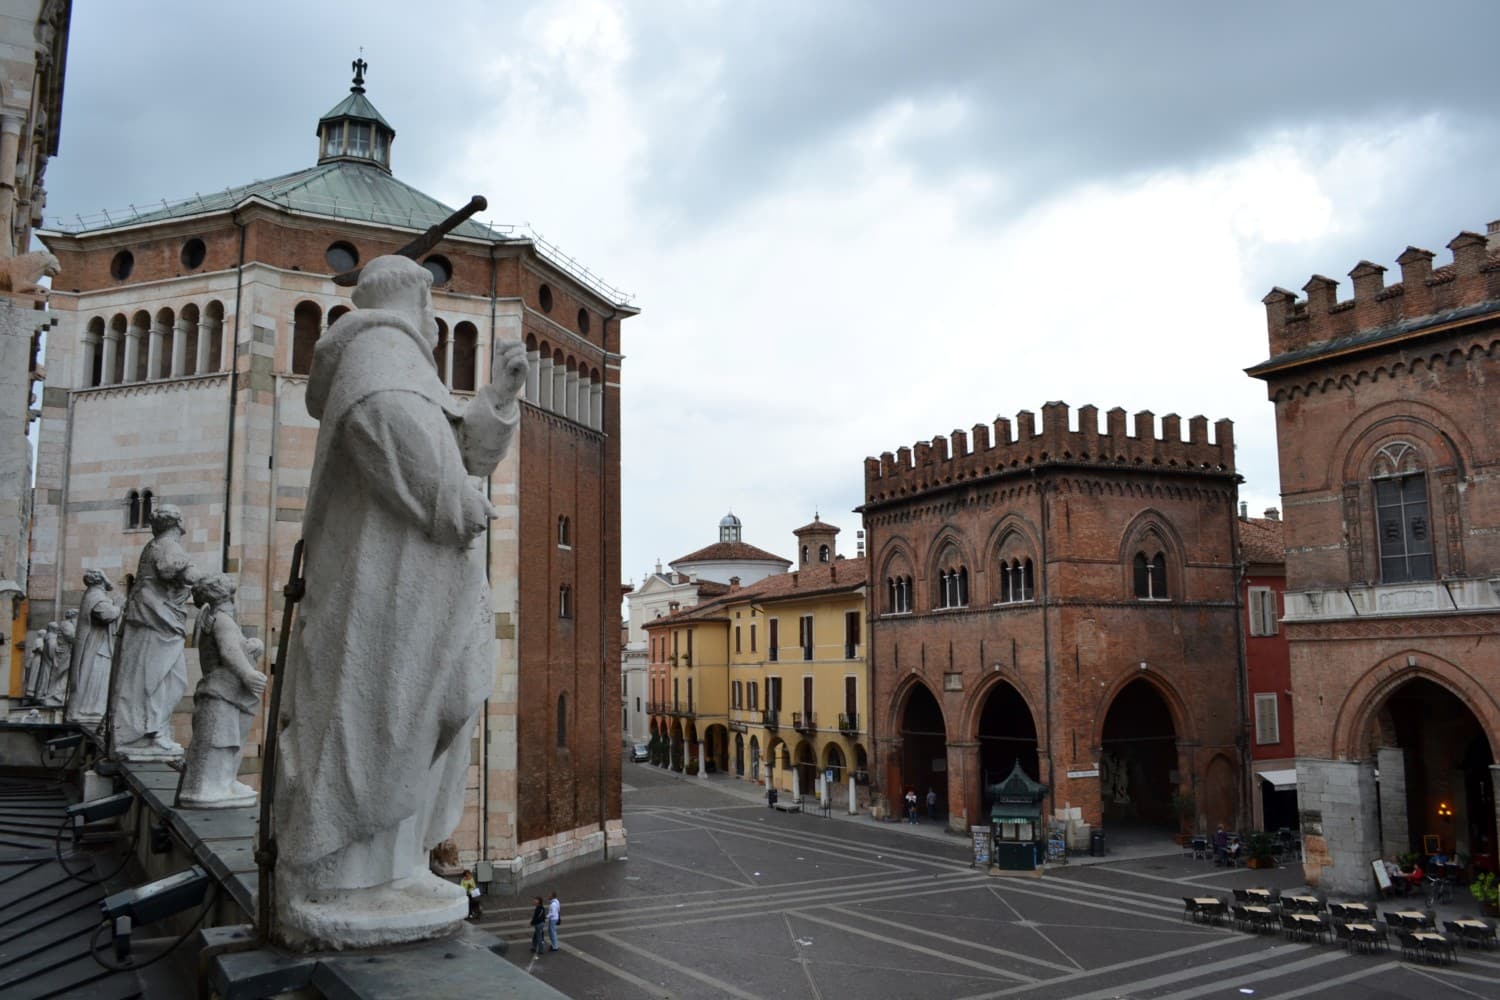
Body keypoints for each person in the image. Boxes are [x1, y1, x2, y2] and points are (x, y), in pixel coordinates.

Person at [271, 256, 527, 947]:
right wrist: (454, 507)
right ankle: (351, 874)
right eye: (430, 309)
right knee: (377, 716)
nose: (436, 328)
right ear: (413, 303)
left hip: (416, 588)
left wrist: (498, 401)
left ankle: (391, 864)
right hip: (379, 589)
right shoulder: (376, 354)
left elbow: (456, 451)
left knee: (419, 713)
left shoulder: (399, 360)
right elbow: (388, 433)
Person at [112, 504, 201, 757]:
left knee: (158, 677)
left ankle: (150, 731)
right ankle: (149, 733)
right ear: (178, 522)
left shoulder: (157, 544)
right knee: (162, 678)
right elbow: (168, 569)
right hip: (156, 618)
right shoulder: (167, 545)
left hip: (155, 617)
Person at [65, 570, 120, 723]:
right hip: (96, 646)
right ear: (101, 579)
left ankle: (92, 709)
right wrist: (118, 607)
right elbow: (106, 615)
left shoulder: (94, 595)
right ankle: (89, 710)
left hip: (98, 643)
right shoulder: (96, 596)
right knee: (94, 674)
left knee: (98, 676)